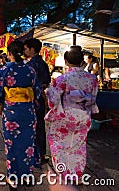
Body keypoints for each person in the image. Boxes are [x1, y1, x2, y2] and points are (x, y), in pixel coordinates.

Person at [46, 46, 99, 187]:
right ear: (82, 61)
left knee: (59, 144)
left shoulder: (62, 79)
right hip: (83, 115)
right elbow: (93, 97)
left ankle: (63, 173)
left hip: (64, 116)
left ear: (66, 61)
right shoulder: (92, 79)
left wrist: (48, 93)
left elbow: (53, 100)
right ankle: (76, 174)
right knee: (78, 145)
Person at [0, 40, 41, 190]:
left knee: (11, 145)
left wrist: (0, 101)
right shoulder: (30, 70)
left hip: (12, 113)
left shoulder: (4, 70)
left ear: (9, 53)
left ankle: (12, 176)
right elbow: (37, 91)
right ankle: (26, 175)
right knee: (27, 144)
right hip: (28, 112)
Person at [24, 38, 51, 163]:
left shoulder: (30, 65)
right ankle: (41, 154)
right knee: (40, 126)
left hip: (30, 100)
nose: (24, 51)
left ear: (32, 49)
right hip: (39, 99)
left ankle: (32, 154)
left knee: (30, 127)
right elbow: (46, 82)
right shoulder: (43, 63)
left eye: (26, 48)